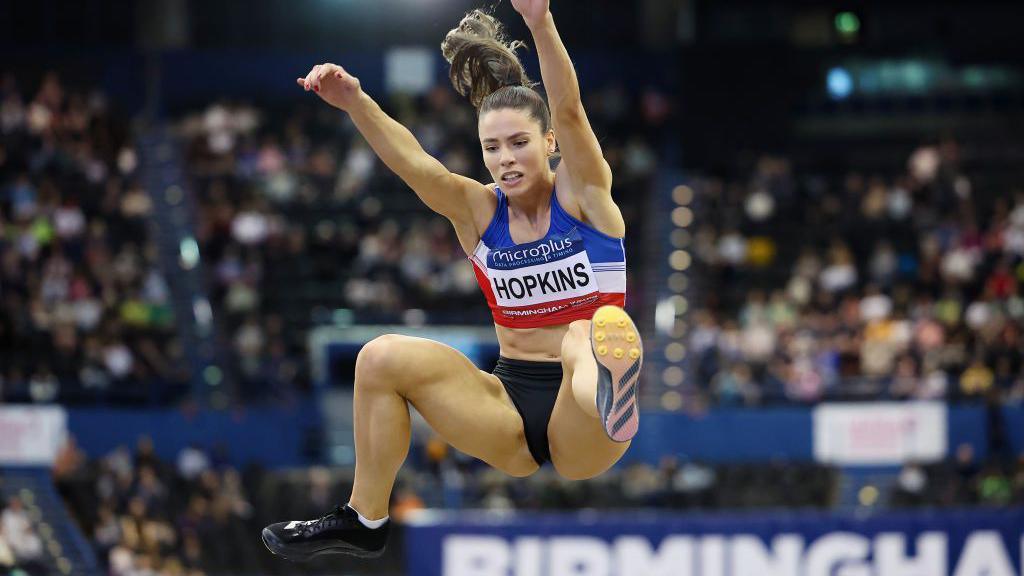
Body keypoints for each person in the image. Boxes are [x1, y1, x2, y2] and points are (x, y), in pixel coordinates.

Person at [262, 0, 644, 561]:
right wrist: (355, 102)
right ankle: (365, 519)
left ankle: (615, 392)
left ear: (549, 144)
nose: (506, 159)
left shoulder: (585, 196)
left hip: (582, 420)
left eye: (519, 143)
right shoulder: (478, 213)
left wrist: (540, 22)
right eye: (492, 147)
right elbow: (417, 165)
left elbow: (569, 108)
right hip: (507, 405)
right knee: (380, 358)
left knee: (588, 333)